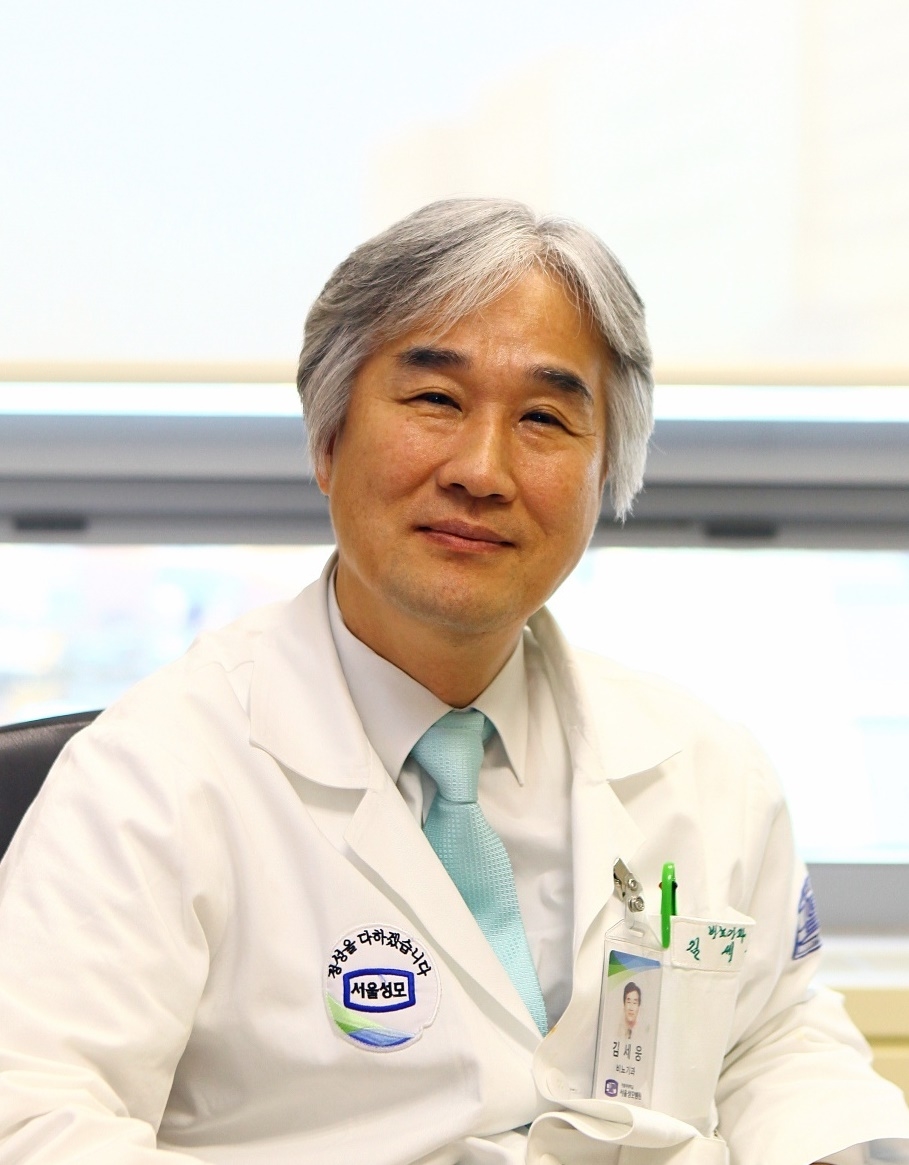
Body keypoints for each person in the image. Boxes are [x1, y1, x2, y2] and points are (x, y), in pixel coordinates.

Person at [0, 198, 907, 1165]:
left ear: (606, 475)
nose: (481, 470)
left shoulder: (704, 763)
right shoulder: (146, 779)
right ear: (327, 439)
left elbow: (774, 1043)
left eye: (545, 417)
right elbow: (38, 1119)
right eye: (435, 399)